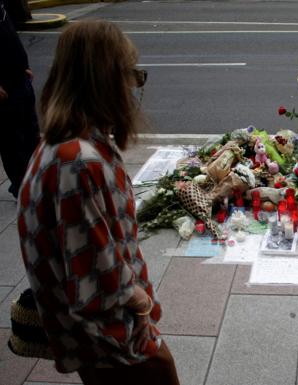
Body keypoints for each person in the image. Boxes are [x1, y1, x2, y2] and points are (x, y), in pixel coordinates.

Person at [16, 20, 179, 385]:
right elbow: (98, 287)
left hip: (98, 340)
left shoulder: (70, 146)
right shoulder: (79, 162)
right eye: (130, 75)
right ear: (106, 81)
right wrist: (143, 316)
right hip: (109, 344)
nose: (134, 88)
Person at [0, 0, 40, 198]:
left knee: (31, 133)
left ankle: (35, 180)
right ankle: (22, 188)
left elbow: (9, 35)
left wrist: (22, 64)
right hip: (5, 89)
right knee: (12, 141)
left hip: (19, 78)